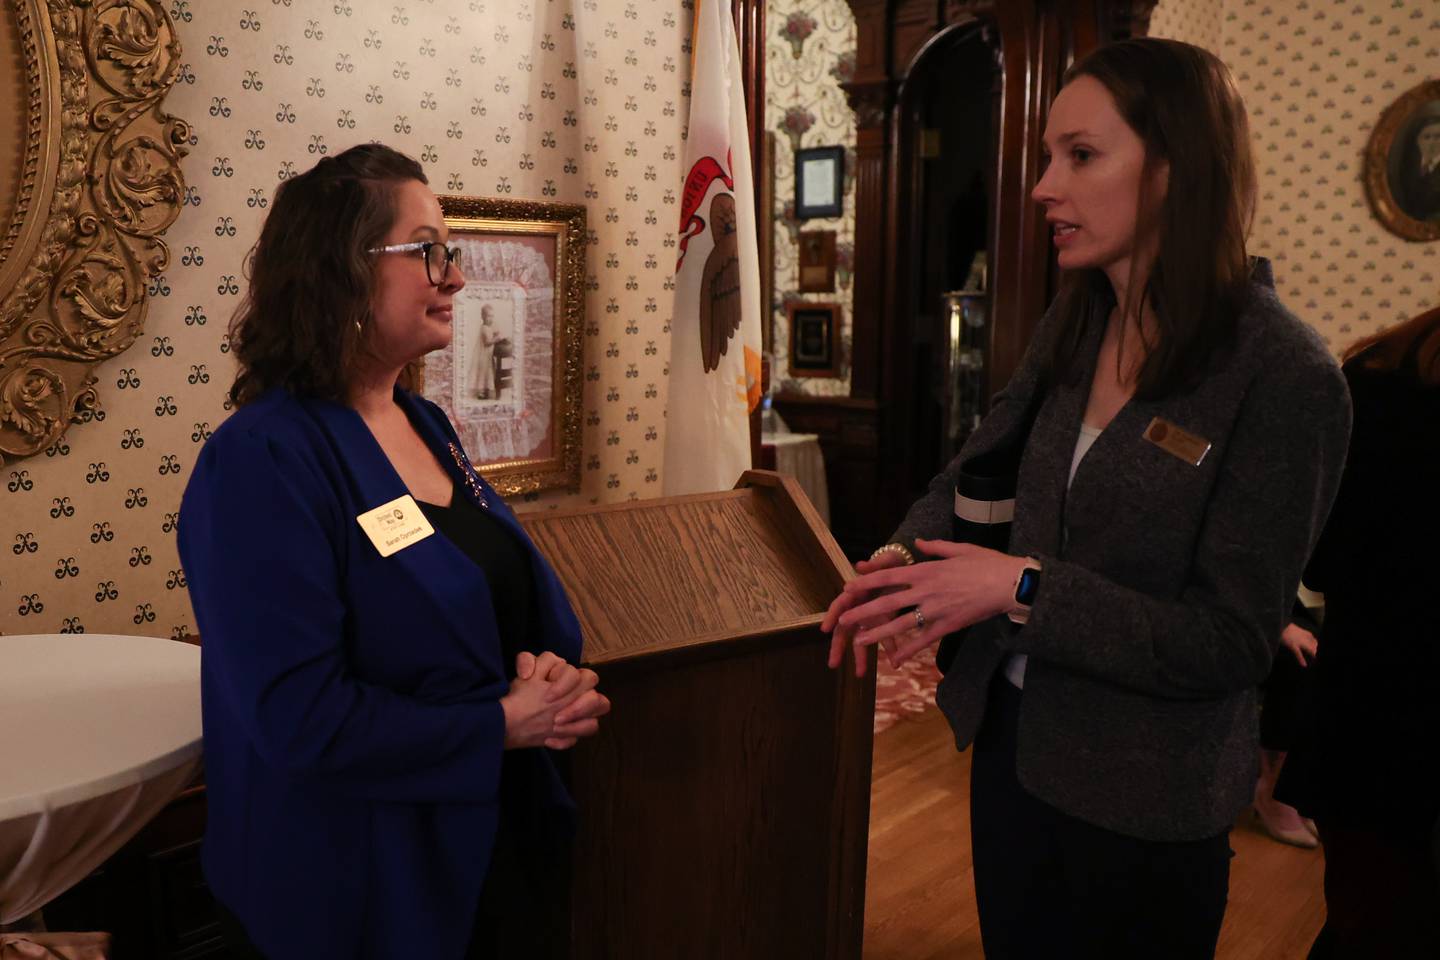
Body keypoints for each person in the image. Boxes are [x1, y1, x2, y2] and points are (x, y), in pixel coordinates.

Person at [822, 38, 1351, 959]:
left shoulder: (1285, 376)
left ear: (1174, 172)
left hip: (1147, 802)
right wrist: (901, 563)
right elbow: (975, 471)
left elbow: (1229, 641)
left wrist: (1020, 587)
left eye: (1080, 155)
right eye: (1044, 157)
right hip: (1012, 753)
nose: (1040, 188)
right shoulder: (1078, 321)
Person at [178, 144, 610, 960]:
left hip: (487, 844)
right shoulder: (261, 459)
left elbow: (488, 598)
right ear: (340, 269)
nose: (453, 276)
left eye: (449, 252)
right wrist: (499, 725)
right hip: (361, 886)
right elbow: (299, 721)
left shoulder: (428, 425)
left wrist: (546, 674)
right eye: (428, 251)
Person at [1277, 306, 1440, 957]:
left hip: (1367, 723)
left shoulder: (1378, 375)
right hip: (1388, 727)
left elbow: (1321, 560)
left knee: (1366, 923)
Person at [1395, 117, 1440, 222]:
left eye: (1438, 136)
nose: (1433, 142)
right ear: (1417, 141)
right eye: (1427, 137)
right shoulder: (1408, 165)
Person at [473, 304, 501, 399]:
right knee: (483, 373)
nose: (490, 319)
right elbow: (487, 342)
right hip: (484, 355)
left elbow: (496, 332)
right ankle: (481, 392)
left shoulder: (491, 326)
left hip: (489, 355)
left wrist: (497, 333)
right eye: (488, 316)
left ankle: (488, 390)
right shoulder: (484, 328)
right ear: (483, 317)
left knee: (489, 373)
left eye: (492, 316)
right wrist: (496, 338)